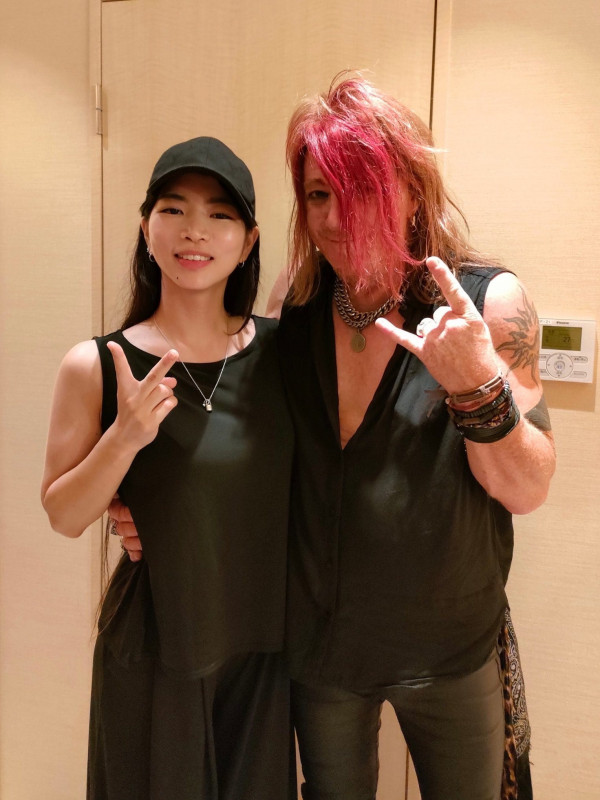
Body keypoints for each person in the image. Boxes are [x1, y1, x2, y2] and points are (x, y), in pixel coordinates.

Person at [117, 77, 554, 799]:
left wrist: (476, 384)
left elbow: (528, 487)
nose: (335, 218)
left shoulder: (486, 304)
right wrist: (153, 508)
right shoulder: (297, 301)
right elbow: (246, 444)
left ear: (411, 191)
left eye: (360, 191)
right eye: (319, 195)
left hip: (449, 645)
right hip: (319, 646)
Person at [41, 137, 295, 800]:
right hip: (156, 643)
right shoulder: (97, 365)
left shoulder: (282, 354)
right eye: (174, 209)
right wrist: (123, 440)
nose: (194, 231)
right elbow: (63, 514)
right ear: (145, 226)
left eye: (220, 215)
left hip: (260, 648)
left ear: (249, 240)